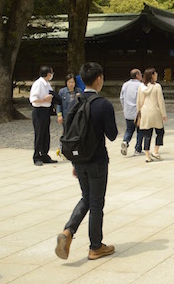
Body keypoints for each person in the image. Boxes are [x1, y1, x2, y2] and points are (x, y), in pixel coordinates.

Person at [54, 62, 118, 261]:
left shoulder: (75, 102)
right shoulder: (103, 104)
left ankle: (68, 231)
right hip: (97, 159)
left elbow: (70, 133)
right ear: (98, 78)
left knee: (86, 198)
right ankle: (95, 246)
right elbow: (113, 134)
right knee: (97, 203)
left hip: (78, 159)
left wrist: (74, 162)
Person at [137, 68, 168, 163]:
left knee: (147, 134)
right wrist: (164, 114)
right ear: (152, 75)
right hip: (155, 112)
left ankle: (147, 156)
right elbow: (160, 101)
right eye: (155, 73)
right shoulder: (157, 86)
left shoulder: (141, 87)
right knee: (160, 132)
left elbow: (138, 101)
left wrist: (139, 111)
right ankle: (155, 151)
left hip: (145, 112)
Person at [29, 66, 58, 166]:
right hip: (39, 110)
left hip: (46, 110)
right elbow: (33, 99)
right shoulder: (38, 83)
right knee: (39, 133)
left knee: (46, 133)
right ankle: (37, 156)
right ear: (48, 74)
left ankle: (44, 154)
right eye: (51, 73)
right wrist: (44, 100)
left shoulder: (47, 84)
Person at [119, 68, 144, 156]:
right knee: (140, 131)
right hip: (137, 112)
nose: (141, 76)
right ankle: (138, 149)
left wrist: (124, 107)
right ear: (137, 75)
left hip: (128, 111)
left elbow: (121, 98)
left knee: (129, 129)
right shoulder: (140, 85)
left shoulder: (125, 85)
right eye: (140, 74)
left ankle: (125, 141)